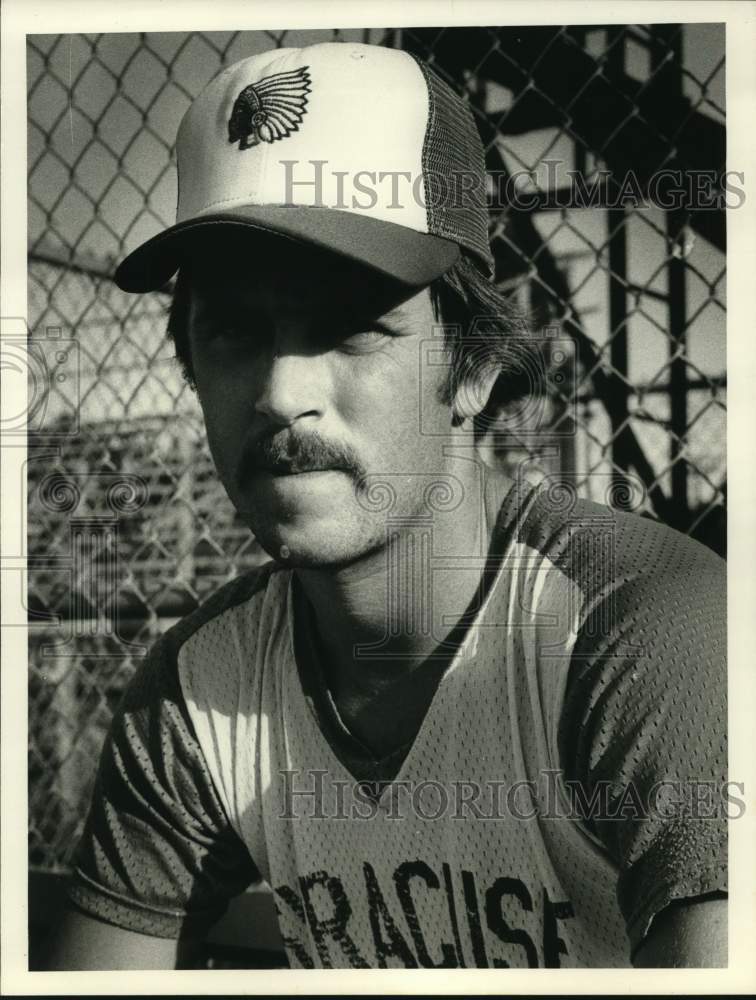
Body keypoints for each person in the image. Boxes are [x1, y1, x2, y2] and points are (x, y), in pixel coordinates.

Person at [45, 40, 727, 970]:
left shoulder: (636, 635)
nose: (283, 392)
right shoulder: (202, 689)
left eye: (354, 325)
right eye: (235, 330)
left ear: (477, 361)